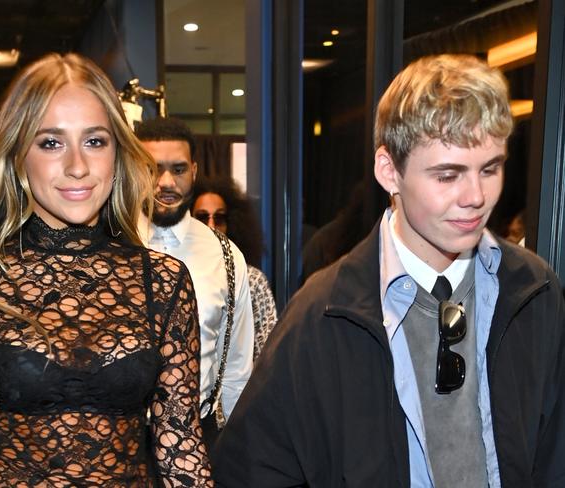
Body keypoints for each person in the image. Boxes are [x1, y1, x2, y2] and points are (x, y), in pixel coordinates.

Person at [212, 54, 565, 487]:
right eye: (448, 174)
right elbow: (250, 470)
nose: (476, 196)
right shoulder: (323, 312)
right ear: (389, 171)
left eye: (490, 168)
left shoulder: (534, 288)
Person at [0, 53, 212, 486]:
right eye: (51, 142)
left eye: (95, 141)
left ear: (118, 153)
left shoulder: (163, 282)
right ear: (18, 156)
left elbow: (181, 446)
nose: (77, 165)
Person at [134, 117, 254, 445]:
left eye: (178, 169)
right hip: (120, 445)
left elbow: (237, 371)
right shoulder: (109, 246)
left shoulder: (227, 257)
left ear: (195, 172)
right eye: (152, 169)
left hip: (199, 439)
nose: (166, 182)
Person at [191, 176, 277, 359]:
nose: (211, 225)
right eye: (202, 217)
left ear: (232, 224)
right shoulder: (174, 276)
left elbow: (268, 350)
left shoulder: (252, 280)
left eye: (220, 218)